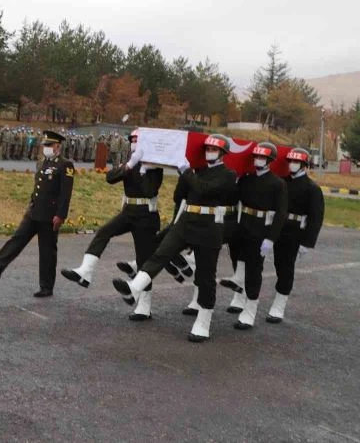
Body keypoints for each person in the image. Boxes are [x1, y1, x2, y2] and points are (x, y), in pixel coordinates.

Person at [112, 134, 238, 342]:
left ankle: (203, 321)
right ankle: (133, 289)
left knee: (206, 276)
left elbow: (203, 190)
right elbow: (181, 194)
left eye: (213, 150)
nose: (209, 153)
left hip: (209, 227)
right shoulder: (196, 171)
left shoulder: (228, 174)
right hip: (187, 221)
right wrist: (184, 171)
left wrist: (186, 170)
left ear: (223, 154)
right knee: (160, 253)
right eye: (207, 150)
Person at [61, 129, 163, 320]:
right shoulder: (129, 160)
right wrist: (129, 166)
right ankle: (85, 271)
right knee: (104, 232)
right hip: (128, 212)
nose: (134, 142)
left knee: (143, 259)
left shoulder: (155, 165)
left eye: (137, 140)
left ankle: (144, 306)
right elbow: (110, 178)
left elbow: (148, 190)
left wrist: (142, 170)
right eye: (132, 139)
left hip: (146, 215)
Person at [0, 131, 75, 297]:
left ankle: (46, 286)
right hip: (34, 211)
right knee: (17, 238)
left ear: (58, 146)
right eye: (45, 145)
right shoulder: (43, 163)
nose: (46, 148)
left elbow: (66, 194)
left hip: (50, 216)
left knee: (47, 252)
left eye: (49, 145)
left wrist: (61, 215)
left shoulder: (65, 165)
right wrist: (31, 204)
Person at [231, 142, 288, 331]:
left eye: (262, 157)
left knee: (254, 271)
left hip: (261, 230)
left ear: (270, 160)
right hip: (243, 226)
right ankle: (239, 293)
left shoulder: (278, 183)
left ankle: (250, 310)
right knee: (238, 262)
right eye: (256, 157)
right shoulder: (246, 179)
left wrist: (271, 238)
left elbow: (280, 214)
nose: (258, 160)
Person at [267, 148, 324, 324]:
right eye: (290, 161)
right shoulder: (281, 182)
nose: (292, 165)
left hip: (295, 232)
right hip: (278, 228)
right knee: (278, 264)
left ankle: (279, 304)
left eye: (296, 162)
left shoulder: (312, 188)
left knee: (286, 267)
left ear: (304, 165)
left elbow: (316, 217)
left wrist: (307, 242)